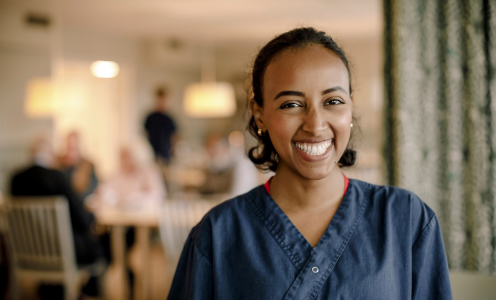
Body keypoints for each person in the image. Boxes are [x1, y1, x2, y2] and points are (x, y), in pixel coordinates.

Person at [167, 28, 452, 300]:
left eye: (333, 101)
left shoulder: (407, 219)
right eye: (291, 104)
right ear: (260, 114)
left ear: (350, 107)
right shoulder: (217, 234)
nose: (315, 125)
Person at [10, 136, 106, 298]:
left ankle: (53, 291)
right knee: (98, 243)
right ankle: (87, 292)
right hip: (62, 252)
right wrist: (91, 216)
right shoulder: (56, 176)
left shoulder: (15, 178)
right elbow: (80, 218)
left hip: (27, 253)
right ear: (49, 154)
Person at [58, 131, 98, 201]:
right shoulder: (59, 165)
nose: (71, 152)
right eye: (69, 147)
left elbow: (92, 190)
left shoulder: (88, 166)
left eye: (74, 148)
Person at [144, 87, 177, 164]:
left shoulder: (169, 119)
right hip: (152, 155)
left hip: (166, 156)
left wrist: (171, 151)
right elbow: (146, 135)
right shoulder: (150, 118)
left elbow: (174, 137)